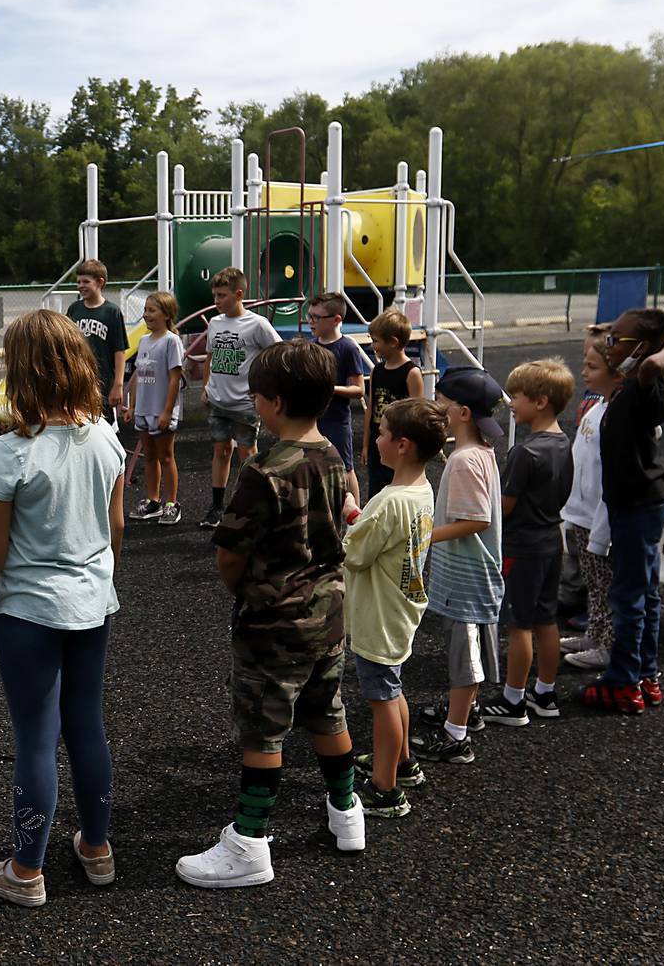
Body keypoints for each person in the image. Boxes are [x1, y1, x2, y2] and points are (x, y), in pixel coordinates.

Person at [177, 339, 365, 889]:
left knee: (264, 729)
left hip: (274, 618)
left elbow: (231, 554)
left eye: (257, 396)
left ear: (275, 403)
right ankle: (346, 813)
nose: (253, 403)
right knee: (327, 712)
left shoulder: (263, 470)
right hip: (327, 613)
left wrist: (246, 591)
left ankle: (251, 842)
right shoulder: (332, 454)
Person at [0, 310, 125, 907]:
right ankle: (97, 848)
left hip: (29, 610)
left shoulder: (9, 451)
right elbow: (116, 527)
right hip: (92, 602)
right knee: (87, 724)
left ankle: (25, 871)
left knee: (35, 736)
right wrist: (97, 582)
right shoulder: (106, 435)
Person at [342, 398, 442, 818]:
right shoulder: (421, 489)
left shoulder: (389, 501)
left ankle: (385, 790)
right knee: (393, 689)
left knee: (381, 699)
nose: (376, 437)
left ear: (402, 445)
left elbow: (355, 553)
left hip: (378, 617)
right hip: (401, 610)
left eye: (381, 432)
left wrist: (348, 509)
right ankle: (403, 762)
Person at [583, 308, 664, 714]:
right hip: (640, 504)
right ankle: (646, 674)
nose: (609, 346)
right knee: (645, 594)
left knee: (629, 598)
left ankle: (623, 682)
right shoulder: (628, 390)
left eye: (615, 339)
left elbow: (648, 370)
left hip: (638, 508)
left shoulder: (644, 387)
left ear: (641, 349)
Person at [412, 367, 505, 765]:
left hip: (466, 579)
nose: (437, 407)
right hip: (474, 574)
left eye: (443, 402)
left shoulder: (465, 460)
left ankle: (456, 736)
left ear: (463, 413)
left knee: (464, 657)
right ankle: (465, 711)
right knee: (469, 653)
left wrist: (424, 536)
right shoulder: (480, 451)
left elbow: (477, 520)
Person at [481, 358, 575, 727]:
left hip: (522, 546)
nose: (510, 402)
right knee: (546, 619)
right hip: (552, 540)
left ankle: (512, 700)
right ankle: (545, 694)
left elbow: (504, 506)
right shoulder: (563, 441)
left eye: (516, 396)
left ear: (540, 401)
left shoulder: (524, 451)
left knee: (518, 624)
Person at [199, 267, 280, 529]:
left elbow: (277, 353)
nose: (216, 301)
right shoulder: (215, 323)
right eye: (215, 295)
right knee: (220, 452)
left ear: (239, 294)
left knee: (248, 453)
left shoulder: (257, 324)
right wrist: (206, 386)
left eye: (222, 295)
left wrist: (263, 388)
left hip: (245, 404)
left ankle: (250, 504)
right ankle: (216, 506)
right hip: (218, 401)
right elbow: (209, 358)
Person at [559, 334, 618, 671]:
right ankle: (595, 633)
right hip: (581, 512)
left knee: (602, 583)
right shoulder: (597, 406)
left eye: (592, 366)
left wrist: (600, 525)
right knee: (592, 581)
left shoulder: (612, 414)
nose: (584, 371)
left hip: (597, 516)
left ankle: (607, 643)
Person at [127, 292, 185, 525]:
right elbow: (139, 374)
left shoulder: (171, 341)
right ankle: (154, 500)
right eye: (146, 310)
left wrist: (167, 411)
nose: (146, 315)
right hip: (143, 408)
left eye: (152, 310)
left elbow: (174, 379)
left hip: (161, 409)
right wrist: (132, 406)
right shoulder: (143, 341)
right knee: (149, 456)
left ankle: (171, 503)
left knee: (166, 457)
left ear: (167, 314)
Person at [307, 293, 367, 504]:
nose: (311, 322)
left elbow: (359, 390)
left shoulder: (347, 348)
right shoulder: (311, 345)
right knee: (313, 467)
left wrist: (329, 388)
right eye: (309, 316)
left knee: (345, 468)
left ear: (336, 320)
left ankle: (355, 518)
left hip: (336, 419)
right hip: (312, 419)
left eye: (317, 317)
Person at [361, 310, 423, 501]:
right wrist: (365, 445)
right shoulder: (377, 371)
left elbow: (418, 415)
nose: (373, 346)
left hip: (400, 448)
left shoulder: (411, 373)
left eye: (376, 341)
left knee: (398, 493)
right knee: (376, 495)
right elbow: (370, 409)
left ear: (394, 342)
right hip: (377, 445)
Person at [65, 259, 128, 425]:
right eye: (78, 282)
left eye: (86, 281)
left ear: (100, 282)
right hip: (79, 381)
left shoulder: (111, 312)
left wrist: (118, 384)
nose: (81, 285)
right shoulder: (74, 309)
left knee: (105, 428)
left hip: (103, 382)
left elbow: (119, 350)